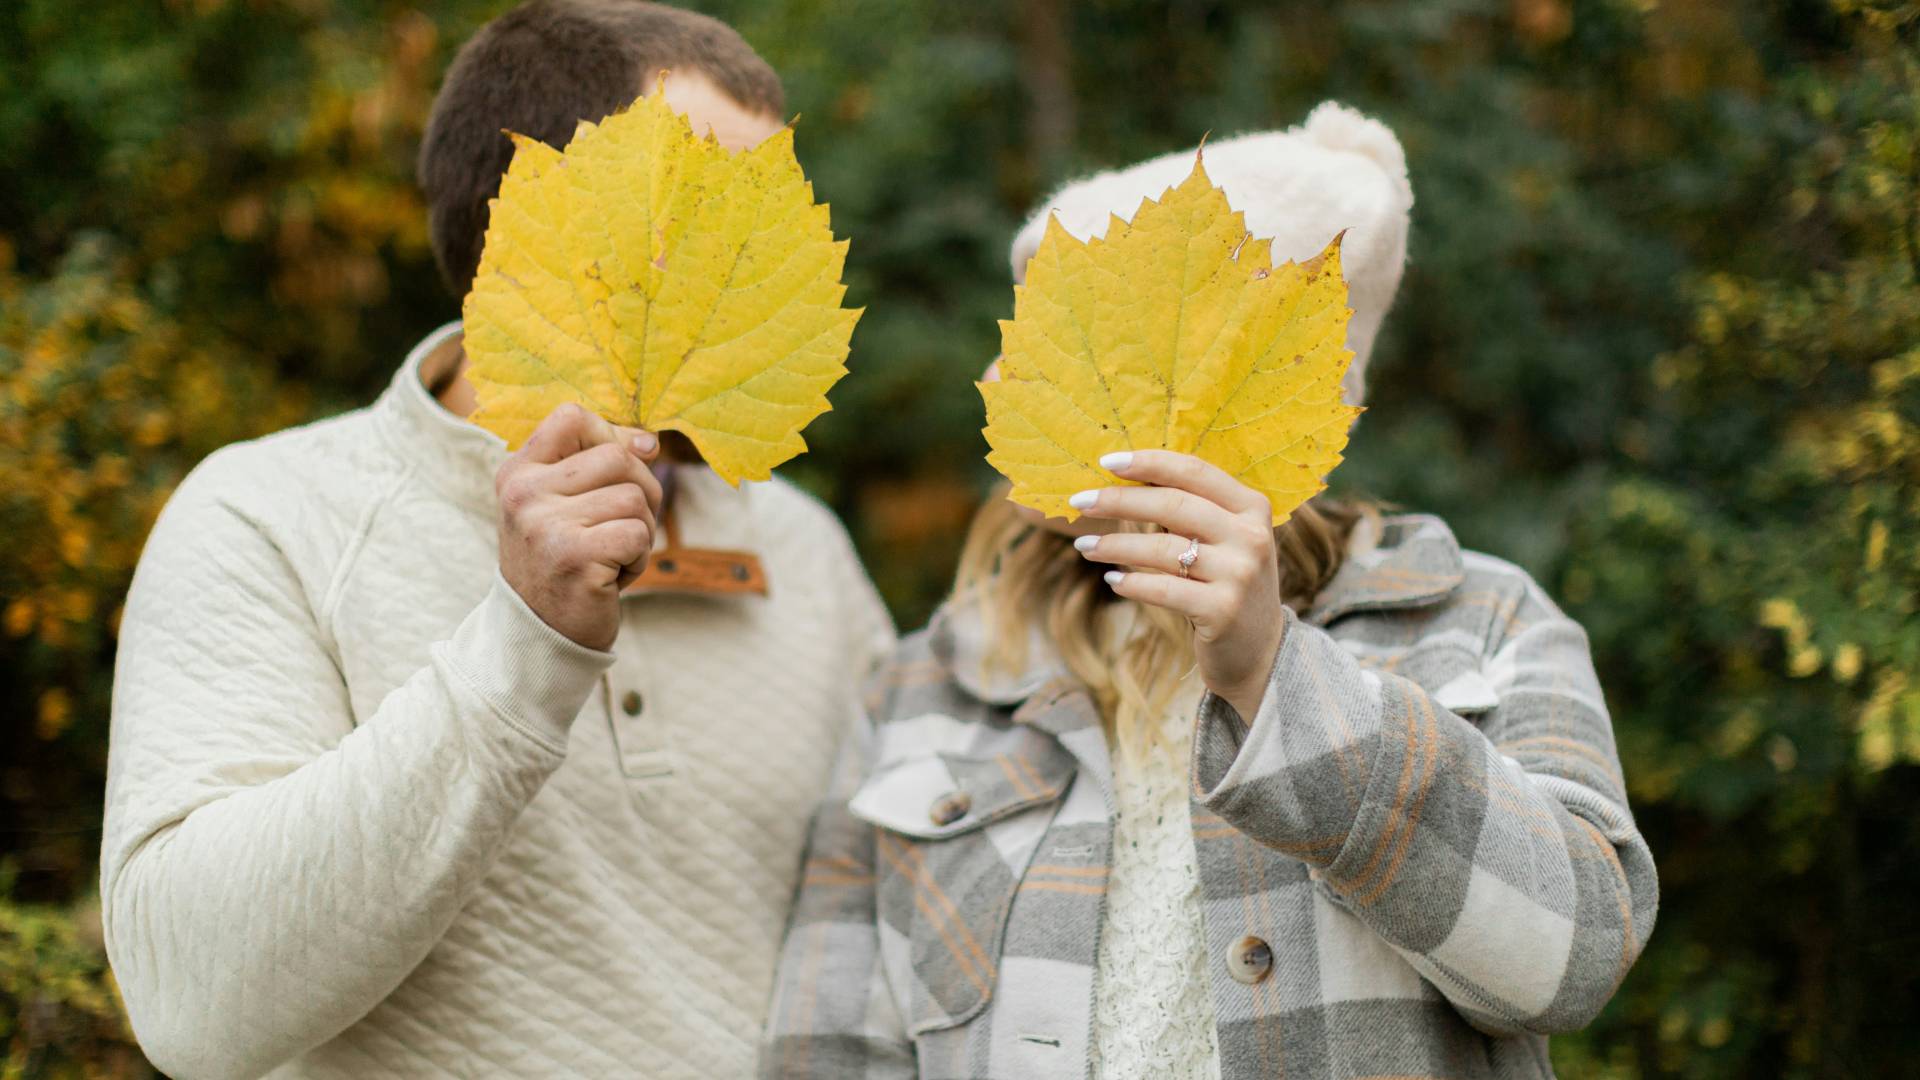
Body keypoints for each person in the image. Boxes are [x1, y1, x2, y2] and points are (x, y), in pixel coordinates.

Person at [762, 103, 1657, 1079]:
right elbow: (828, 1053)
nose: (1001, 376)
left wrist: (1279, 681)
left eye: (1067, 341)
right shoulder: (921, 690)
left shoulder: (1481, 620)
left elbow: (1574, 961)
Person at [100, 3, 892, 1077]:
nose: (767, 260)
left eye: (775, 207)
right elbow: (191, 1008)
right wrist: (523, 646)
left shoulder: (803, 548)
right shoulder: (269, 518)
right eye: (711, 207)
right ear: (531, 222)